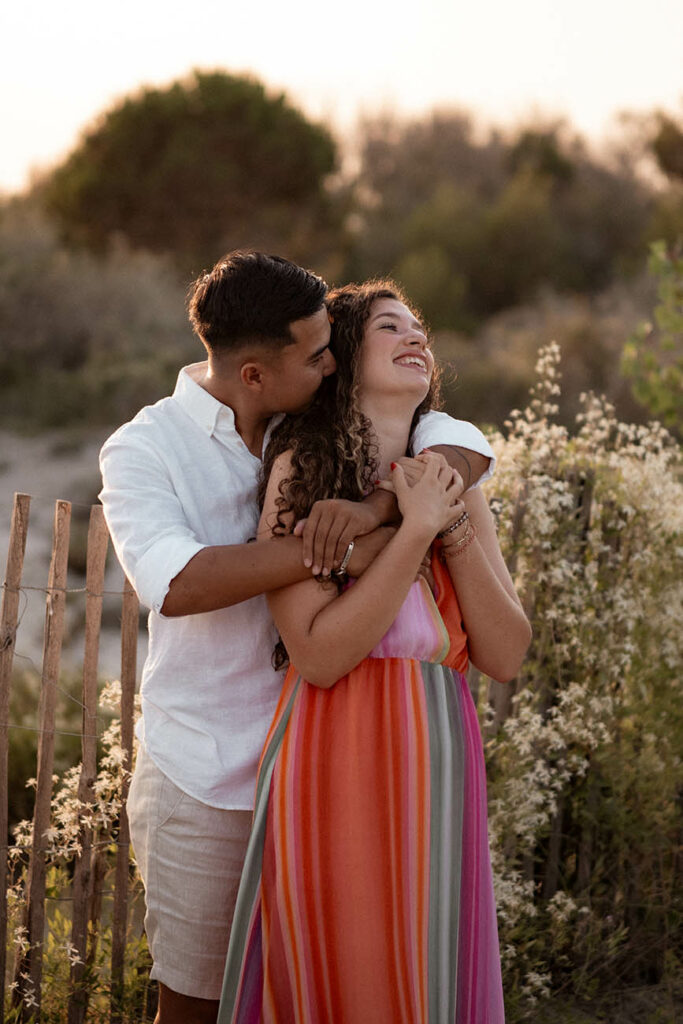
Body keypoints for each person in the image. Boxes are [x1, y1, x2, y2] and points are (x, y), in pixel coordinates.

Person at [99, 252, 496, 1024]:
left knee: (321, 993)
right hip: (211, 776)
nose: (331, 365)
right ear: (254, 374)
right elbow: (177, 584)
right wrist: (339, 552)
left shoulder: (314, 421)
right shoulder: (144, 449)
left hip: (329, 766)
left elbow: (463, 441)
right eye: (316, 355)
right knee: (200, 1002)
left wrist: (381, 509)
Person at [218, 281, 531, 1024]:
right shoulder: (301, 471)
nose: (415, 337)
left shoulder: (453, 480)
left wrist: (441, 520)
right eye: (390, 327)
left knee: (428, 979)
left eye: (419, 327)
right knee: (350, 975)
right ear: (343, 359)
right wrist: (415, 533)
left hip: (441, 762)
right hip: (337, 760)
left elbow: (506, 652)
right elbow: (320, 657)